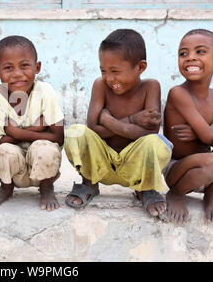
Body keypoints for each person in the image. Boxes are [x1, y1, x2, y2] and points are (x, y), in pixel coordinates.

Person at [64, 29, 173, 218]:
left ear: (140, 67)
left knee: (157, 143)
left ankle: (144, 188)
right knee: (76, 133)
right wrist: (132, 121)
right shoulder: (101, 85)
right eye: (103, 70)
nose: (109, 78)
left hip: (135, 164)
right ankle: (89, 183)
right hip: (101, 164)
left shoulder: (151, 86)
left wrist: (107, 119)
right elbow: (93, 129)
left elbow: (149, 133)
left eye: (115, 71)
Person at [163, 29, 213, 224]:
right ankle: (176, 193)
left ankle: (211, 192)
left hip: (206, 169)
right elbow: (210, 138)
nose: (190, 58)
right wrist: (209, 130)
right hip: (177, 169)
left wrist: (207, 130)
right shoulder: (178, 93)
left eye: (200, 52)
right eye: (183, 53)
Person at [0, 35, 64, 211]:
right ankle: (6, 188)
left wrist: (17, 132)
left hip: (43, 166)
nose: (17, 73)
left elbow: (58, 137)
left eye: (24, 65)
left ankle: (47, 187)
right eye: (8, 68)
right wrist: (36, 128)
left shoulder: (45, 91)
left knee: (46, 148)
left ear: (37, 67)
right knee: (4, 152)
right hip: (14, 168)